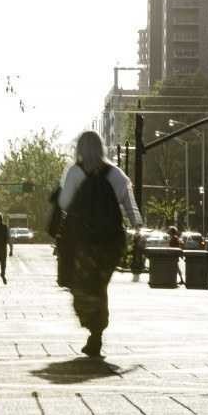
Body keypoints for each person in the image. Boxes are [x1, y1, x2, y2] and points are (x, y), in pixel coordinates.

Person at [58, 131, 143, 358]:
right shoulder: (115, 174)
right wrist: (137, 228)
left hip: (84, 243)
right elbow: (130, 205)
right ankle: (97, 333)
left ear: (80, 149)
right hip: (111, 242)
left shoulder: (75, 172)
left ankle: (94, 328)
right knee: (100, 285)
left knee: (83, 286)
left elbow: (64, 203)